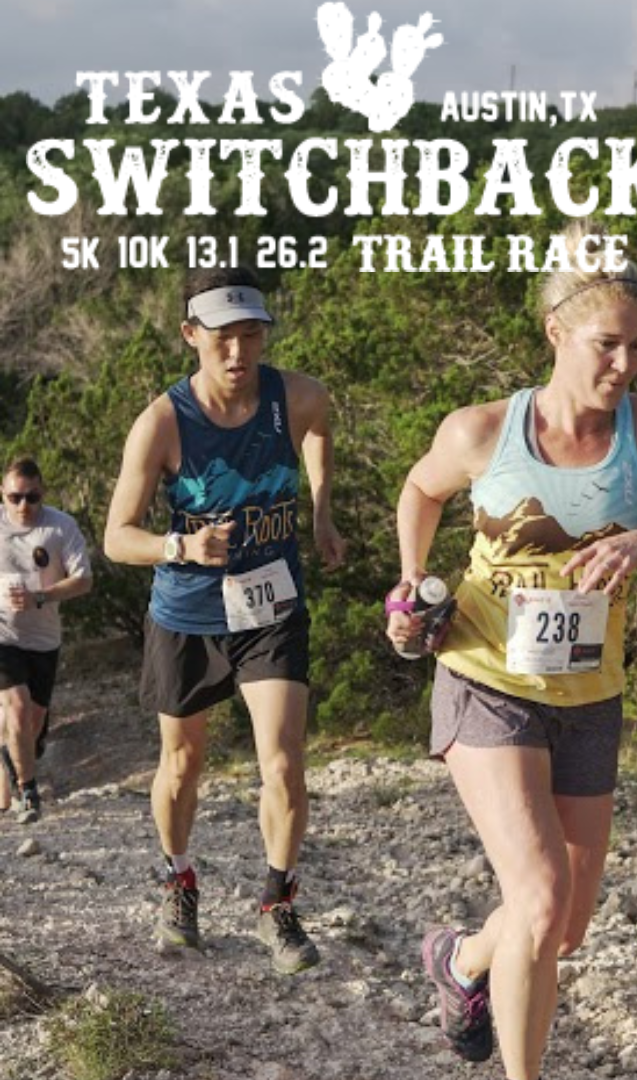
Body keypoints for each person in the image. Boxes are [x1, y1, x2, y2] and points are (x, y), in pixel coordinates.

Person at [386, 223, 637, 1080]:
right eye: (607, 344)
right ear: (557, 332)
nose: (626, 365)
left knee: (564, 927)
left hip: (589, 695)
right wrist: (411, 581)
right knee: (541, 898)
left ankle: (462, 960)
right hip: (485, 677)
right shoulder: (483, 431)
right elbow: (421, 489)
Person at [104, 267, 346, 975]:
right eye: (223, 339)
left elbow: (319, 430)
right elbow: (117, 536)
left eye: (251, 336)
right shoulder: (162, 422)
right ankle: (179, 880)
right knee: (182, 764)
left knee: (284, 761)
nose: (239, 353)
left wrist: (322, 511)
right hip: (188, 611)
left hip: (271, 605)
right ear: (191, 335)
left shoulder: (295, 396)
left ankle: (278, 904)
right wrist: (180, 546)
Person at [0, 456, 93, 824]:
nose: (23, 505)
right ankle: (28, 792)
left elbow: (83, 580)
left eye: (32, 497)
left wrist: (40, 597)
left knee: (31, 724)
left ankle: (9, 785)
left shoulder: (60, 526)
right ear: (2, 494)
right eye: (15, 497)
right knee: (18, 708)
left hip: (43, 638)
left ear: (43, 493)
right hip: (3, 634)